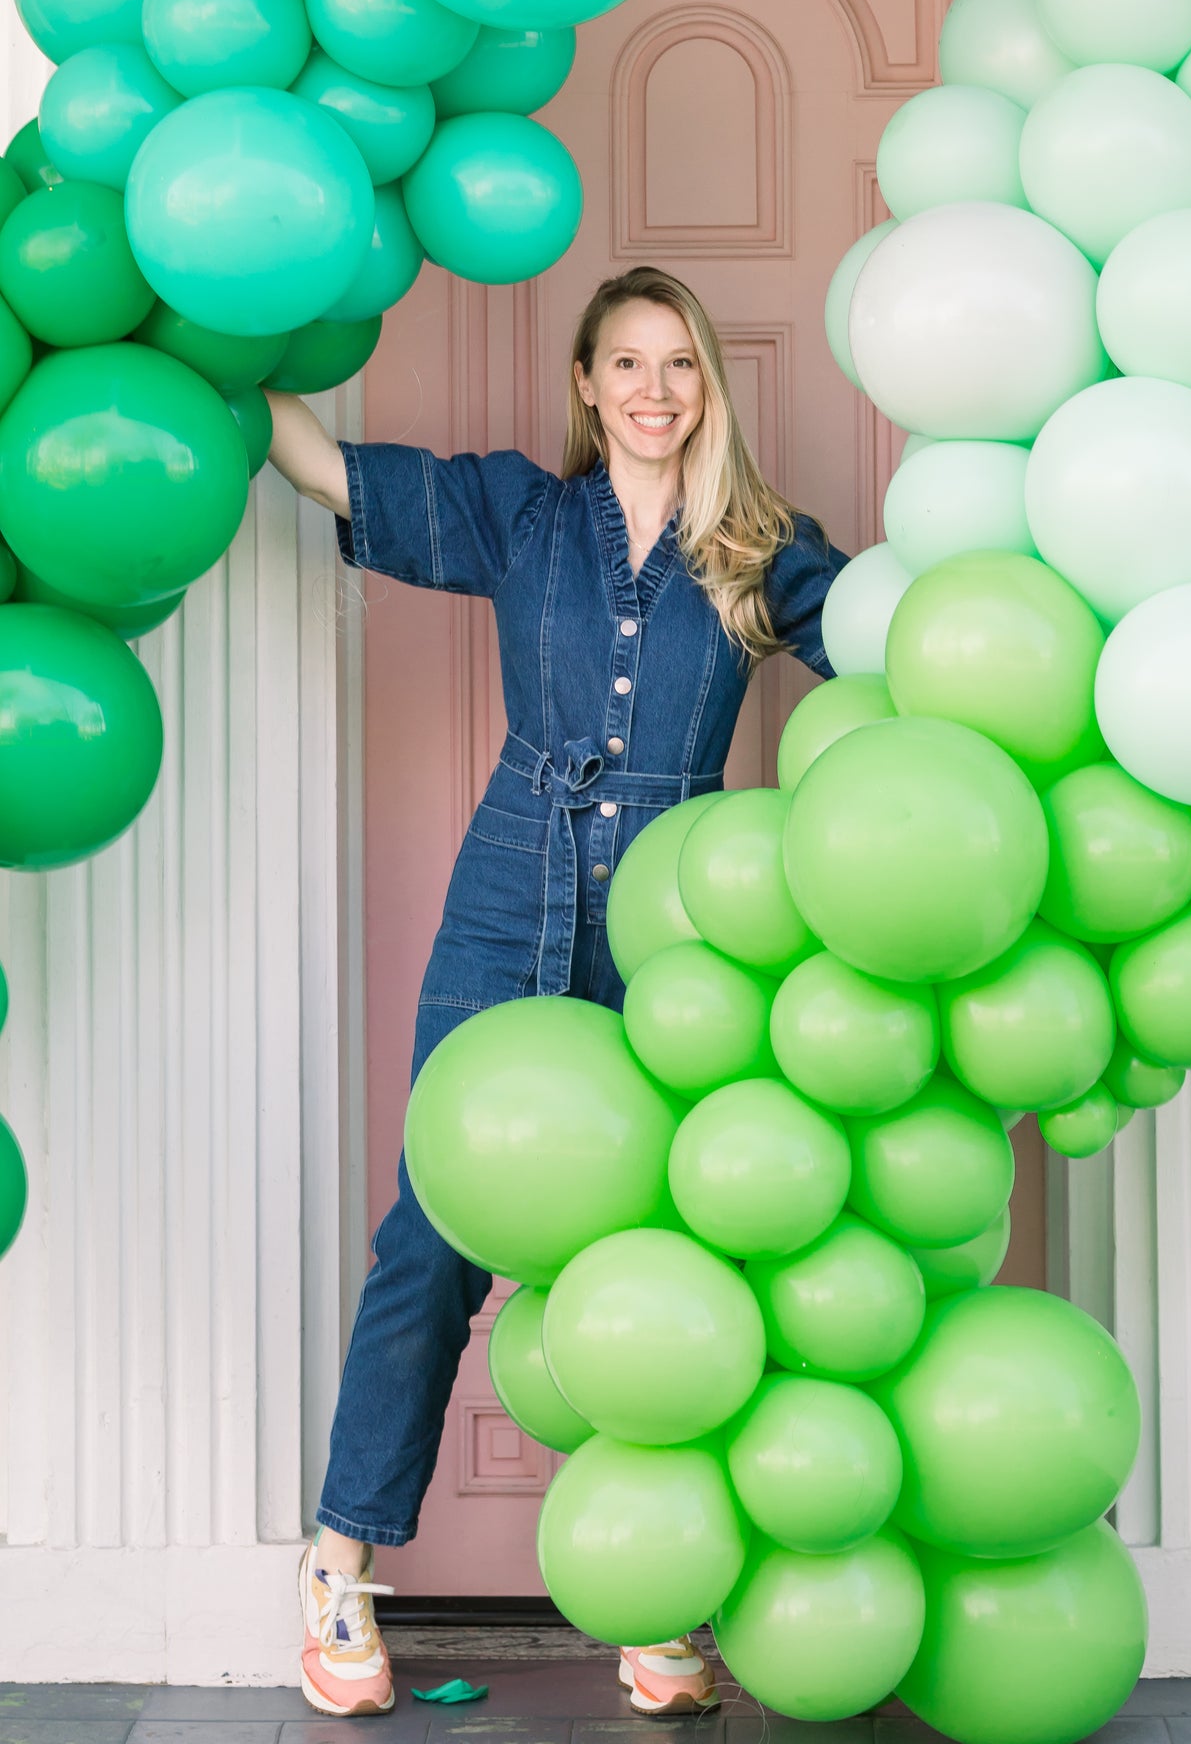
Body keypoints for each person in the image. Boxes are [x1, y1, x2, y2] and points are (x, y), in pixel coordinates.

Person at [265, 265, 849, 1721]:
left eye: (680, 367)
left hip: (679, 930)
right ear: (585, 387)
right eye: (627, 367)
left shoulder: (767, 551)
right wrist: (193, 356)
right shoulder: (521, 514)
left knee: (664, 1249)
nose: (655, 393)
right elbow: (324, 464)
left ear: (709, 386)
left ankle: (656, 1597)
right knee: (436, 1236)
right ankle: (337, 1558)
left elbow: (899, 665)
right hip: (506, 893)